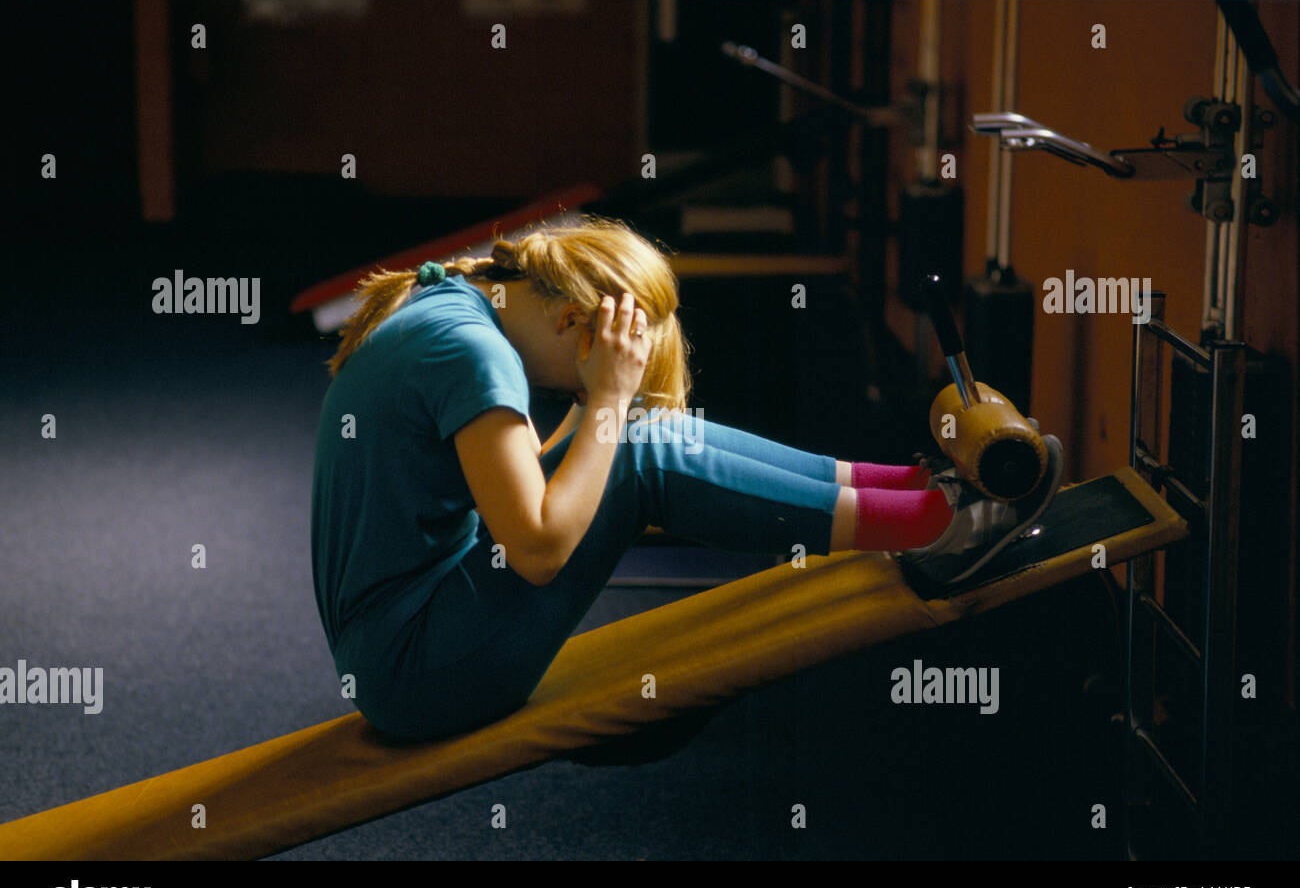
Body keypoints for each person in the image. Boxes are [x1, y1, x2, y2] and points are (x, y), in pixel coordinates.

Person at [311, 216, 1061, 742]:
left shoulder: (456, 310)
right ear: (577, 324)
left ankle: (914, 488)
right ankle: (940, 528)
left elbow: (515, 486)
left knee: (644, 438)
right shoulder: (473, 354)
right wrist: (605, 400)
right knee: (639, 451)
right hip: (415, 670)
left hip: (411, 641)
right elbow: (537, 547)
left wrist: (605, 406)